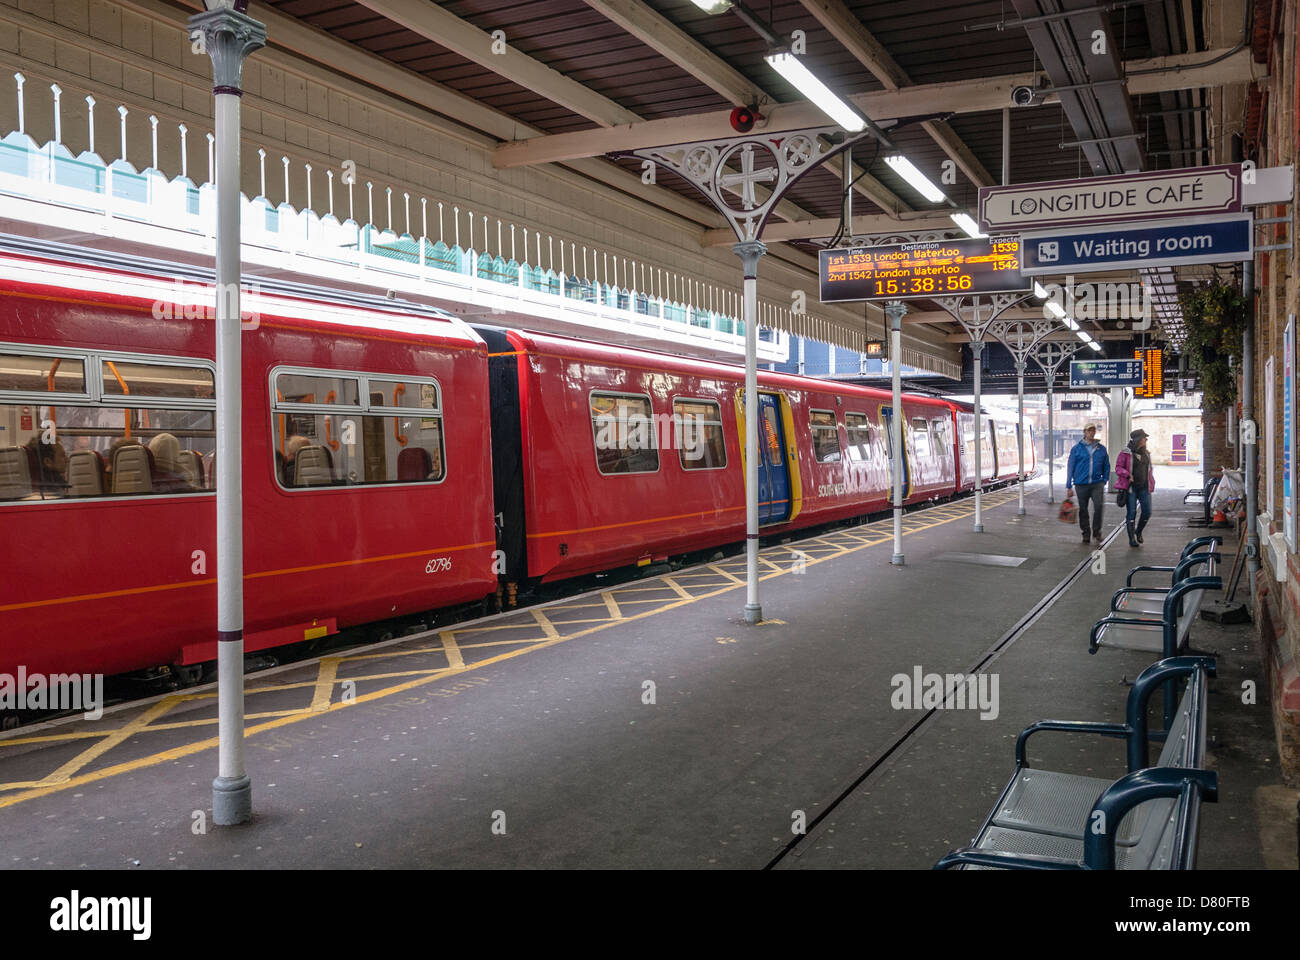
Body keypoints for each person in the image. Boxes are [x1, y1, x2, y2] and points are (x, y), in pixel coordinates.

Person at [1065, 423, 1110, 544]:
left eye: (1093, 431)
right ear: (1084, 432)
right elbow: (1071, 467)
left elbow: (1107, 465)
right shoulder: (1076, 449)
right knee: (1083, 509)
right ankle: (1086, 533)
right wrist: (1069, 486)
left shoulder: (1101, 449)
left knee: (1099, 506)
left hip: (1097, 484)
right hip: (1081, 484)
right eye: (1089, 431)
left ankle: (1097, 532)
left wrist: (1104, 480)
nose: (1092, 433)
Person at [1116, 428, 1156, 547]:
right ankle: (1131, 539)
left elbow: (1149, 470)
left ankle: (1138, 531)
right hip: (1131, 488)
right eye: (1144, 438)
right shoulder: (1125, 453)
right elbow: (1118, 468)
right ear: (1138, 440)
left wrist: (1152, 482)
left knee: (1147, 512)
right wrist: (1127, 475)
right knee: (1131, 512)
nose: (1146, 440)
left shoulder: (1147, 454)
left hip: (1144, 487)